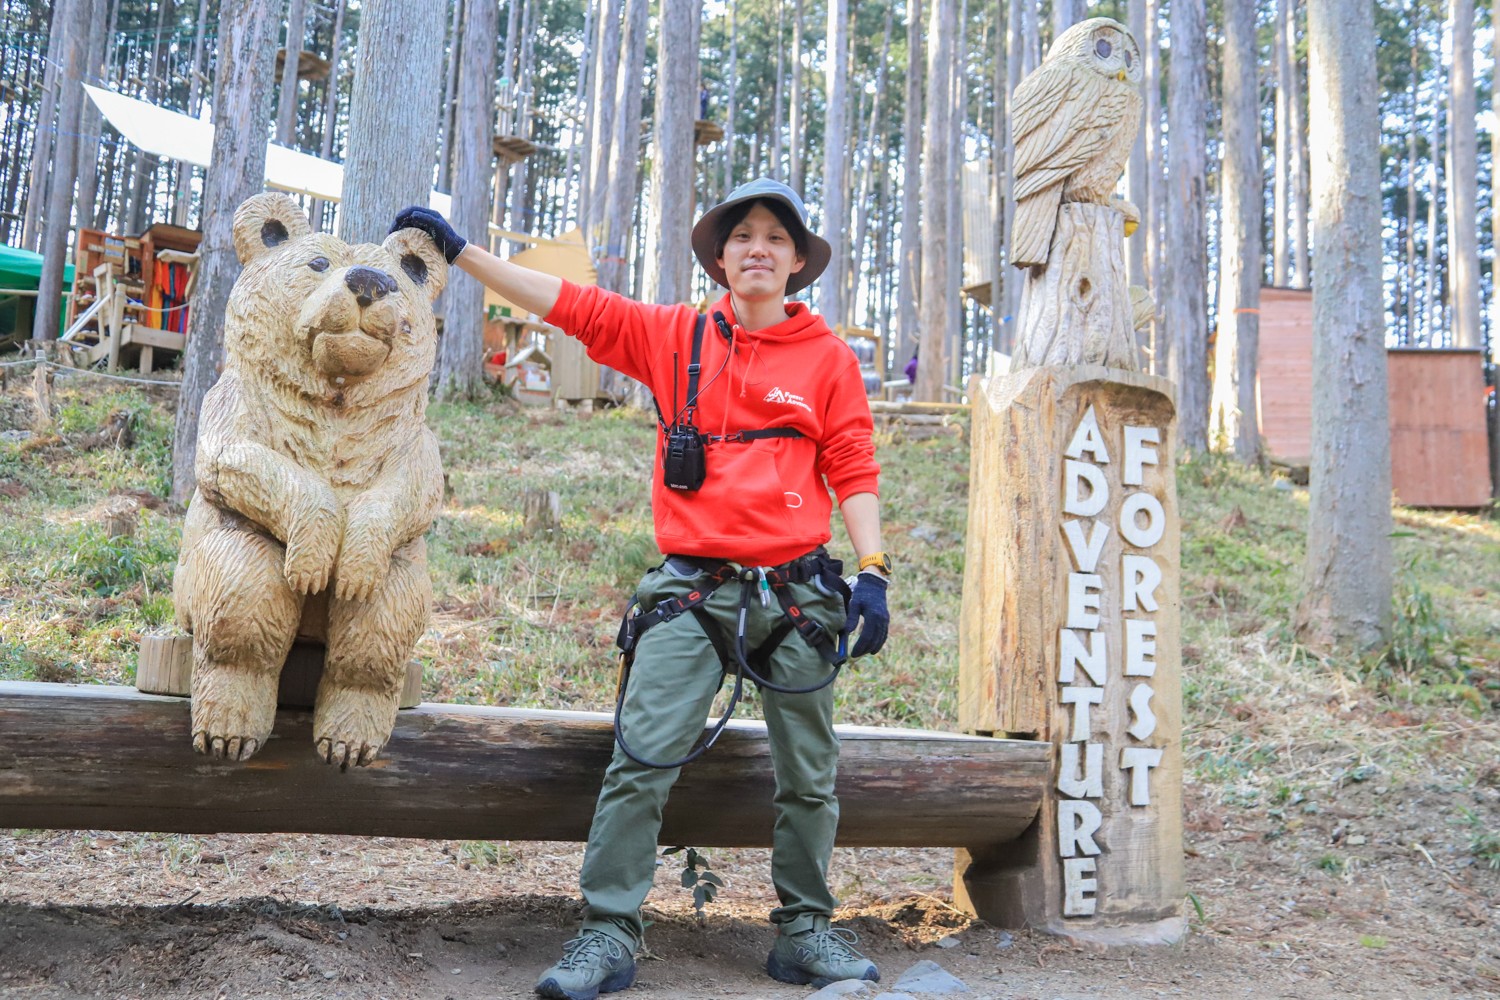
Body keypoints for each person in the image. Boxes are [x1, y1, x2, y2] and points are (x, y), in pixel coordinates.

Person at [391, 177, 891, 1000]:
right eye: (741, 236)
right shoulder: (674, 337)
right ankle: (608, 935)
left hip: (797, 594)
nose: (757, 248)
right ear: (721, 258)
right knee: (641, 755)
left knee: (811, 772)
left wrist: (871, 572)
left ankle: (805, 932)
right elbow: (571, 305)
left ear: (798, 261)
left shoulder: (829, 359)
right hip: (689, 591)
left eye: (775, 237)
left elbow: (853, 467)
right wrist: (462, 253)